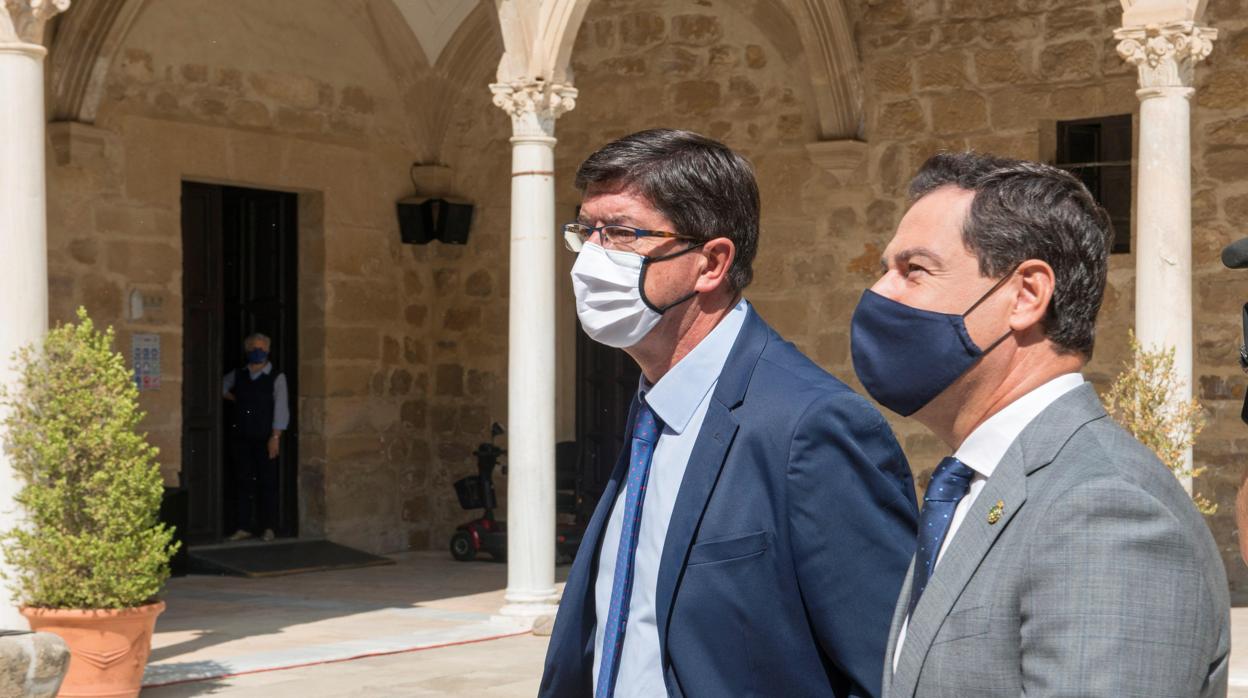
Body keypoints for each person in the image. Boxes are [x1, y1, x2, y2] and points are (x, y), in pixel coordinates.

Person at [539, 129, 918, 698]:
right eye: (585, 231)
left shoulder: (811, 427)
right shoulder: (652, 408)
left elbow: (890, 671)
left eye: (620, 232)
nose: (592, 258)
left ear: (711, 262)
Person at [856, 152, 1231, 698]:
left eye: (914, 270)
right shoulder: (974, 486)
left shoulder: (1105, 507)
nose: (879, 293)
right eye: (884, 270)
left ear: (1026, 295)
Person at [223, 332, 289, 542]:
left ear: (268, 350)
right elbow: (221, 387)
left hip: (265, 437)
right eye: (252, 347)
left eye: (260, 347)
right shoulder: (239, 374)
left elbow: (281, 408)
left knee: (267, 482)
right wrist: (237, 400)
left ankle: (268, 526)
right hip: (242, 436)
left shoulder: (276, 377)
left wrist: (275, 436)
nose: (256, 351)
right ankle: (243, 526)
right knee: (243, 481)